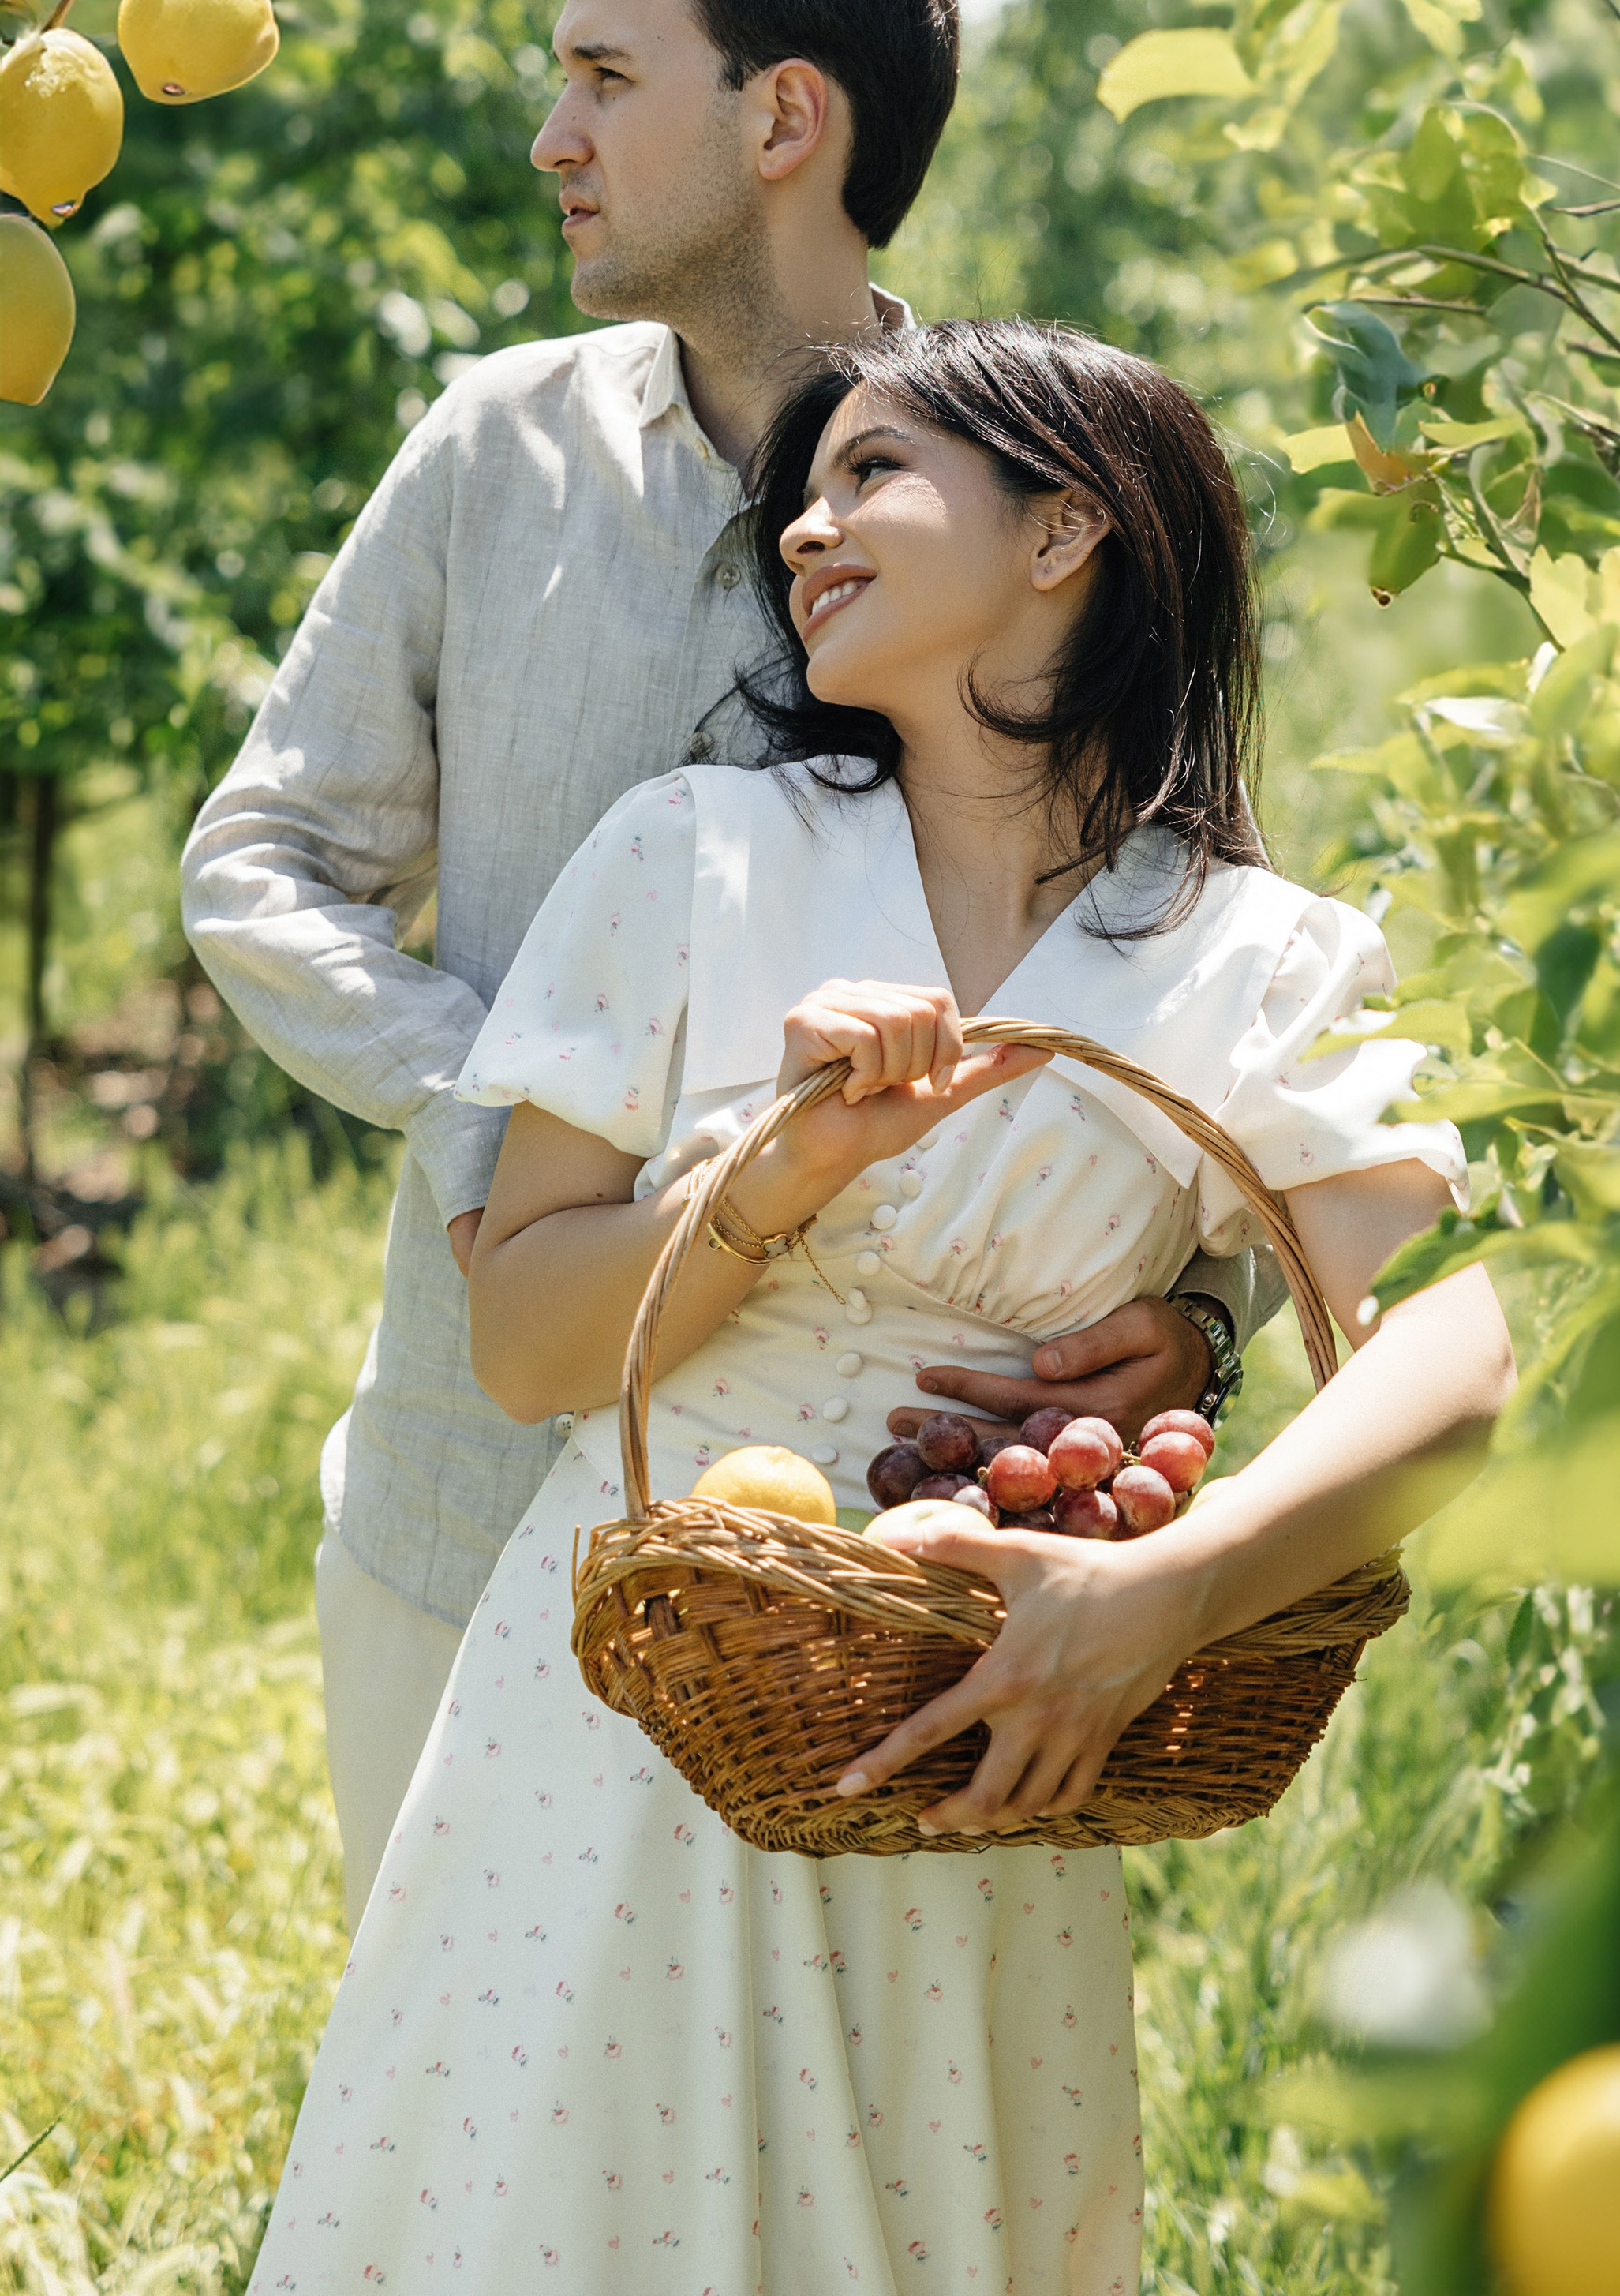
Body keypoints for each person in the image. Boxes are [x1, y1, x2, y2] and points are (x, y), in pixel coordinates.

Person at [247, 320, 1513, 2296]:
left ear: (1064, 530)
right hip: (643, 1712)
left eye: (875, 474)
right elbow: (527, 1348)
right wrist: (773, 1177)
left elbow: (1454, 1352)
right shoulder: (690, 855)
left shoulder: (1253, 959)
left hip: (995, 1734)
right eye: (803, 493)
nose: (805, 529)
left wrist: (1160, 1599)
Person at [179, 0, 1245, 1931]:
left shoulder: (1035, 502)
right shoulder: (494, 448)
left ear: (783, 120)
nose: (551, 138)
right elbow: (265, 861)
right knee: (462, 2081)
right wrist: (504, 1115)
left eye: (604, 77)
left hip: (876, 1551)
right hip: (473, 1477)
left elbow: (1168, 964)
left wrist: (1199, 1319)